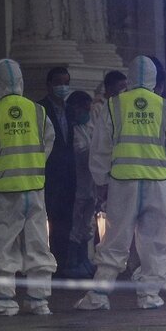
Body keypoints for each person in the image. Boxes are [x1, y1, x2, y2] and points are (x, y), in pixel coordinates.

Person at [75, 55, 166, 310]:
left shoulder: (114, 106)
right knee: (156, 240)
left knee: (115, 238)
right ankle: (149, 294)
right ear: (154, 79)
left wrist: (101, 181)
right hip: (157, 184)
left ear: (130, 76)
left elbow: (100, 148)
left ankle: (99, 294)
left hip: (122, 183)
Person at [0, 59, 57, 316]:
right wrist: (32, 166)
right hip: (34, 188)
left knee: (1, 244)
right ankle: (39, 299)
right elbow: (47, 144)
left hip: (2, 188)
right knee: (37, 242)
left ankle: (5, 299)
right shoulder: (38, 111)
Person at [38, 66, 75, 275]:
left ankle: (62, 263)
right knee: (47, 221)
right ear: (49, 85)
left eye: (66, 83)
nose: (63, 87)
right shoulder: (41, 109)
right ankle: (47, 264)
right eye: (59, 82)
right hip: (49, 173)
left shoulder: (69, 110)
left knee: (65, 221)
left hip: (68, 174)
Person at [64, 90, 96, 277]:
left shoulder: (88, 128)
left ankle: (84, 260)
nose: (87, 112)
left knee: (87, 225)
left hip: (90, 184)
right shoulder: (71, 131)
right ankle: (72, 262)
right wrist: (96, 151)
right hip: (78, 184)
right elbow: (81, 153)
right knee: (75, 225)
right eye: (84, 108)